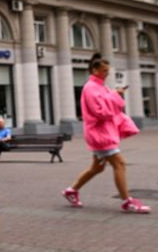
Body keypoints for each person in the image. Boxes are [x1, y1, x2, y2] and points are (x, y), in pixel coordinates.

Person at [62, 53, 150, 214]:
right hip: (100, 135)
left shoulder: (99, 87)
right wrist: (116, 96)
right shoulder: (91, 88)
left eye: (107, 71)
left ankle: (71, 191)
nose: (106, 74)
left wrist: (115, 94)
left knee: (97, 168)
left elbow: (106, 105)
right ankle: (127, 202)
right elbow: (101, 112)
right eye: (104, 71)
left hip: (102, 133)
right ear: (95, 70)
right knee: (120, 164)